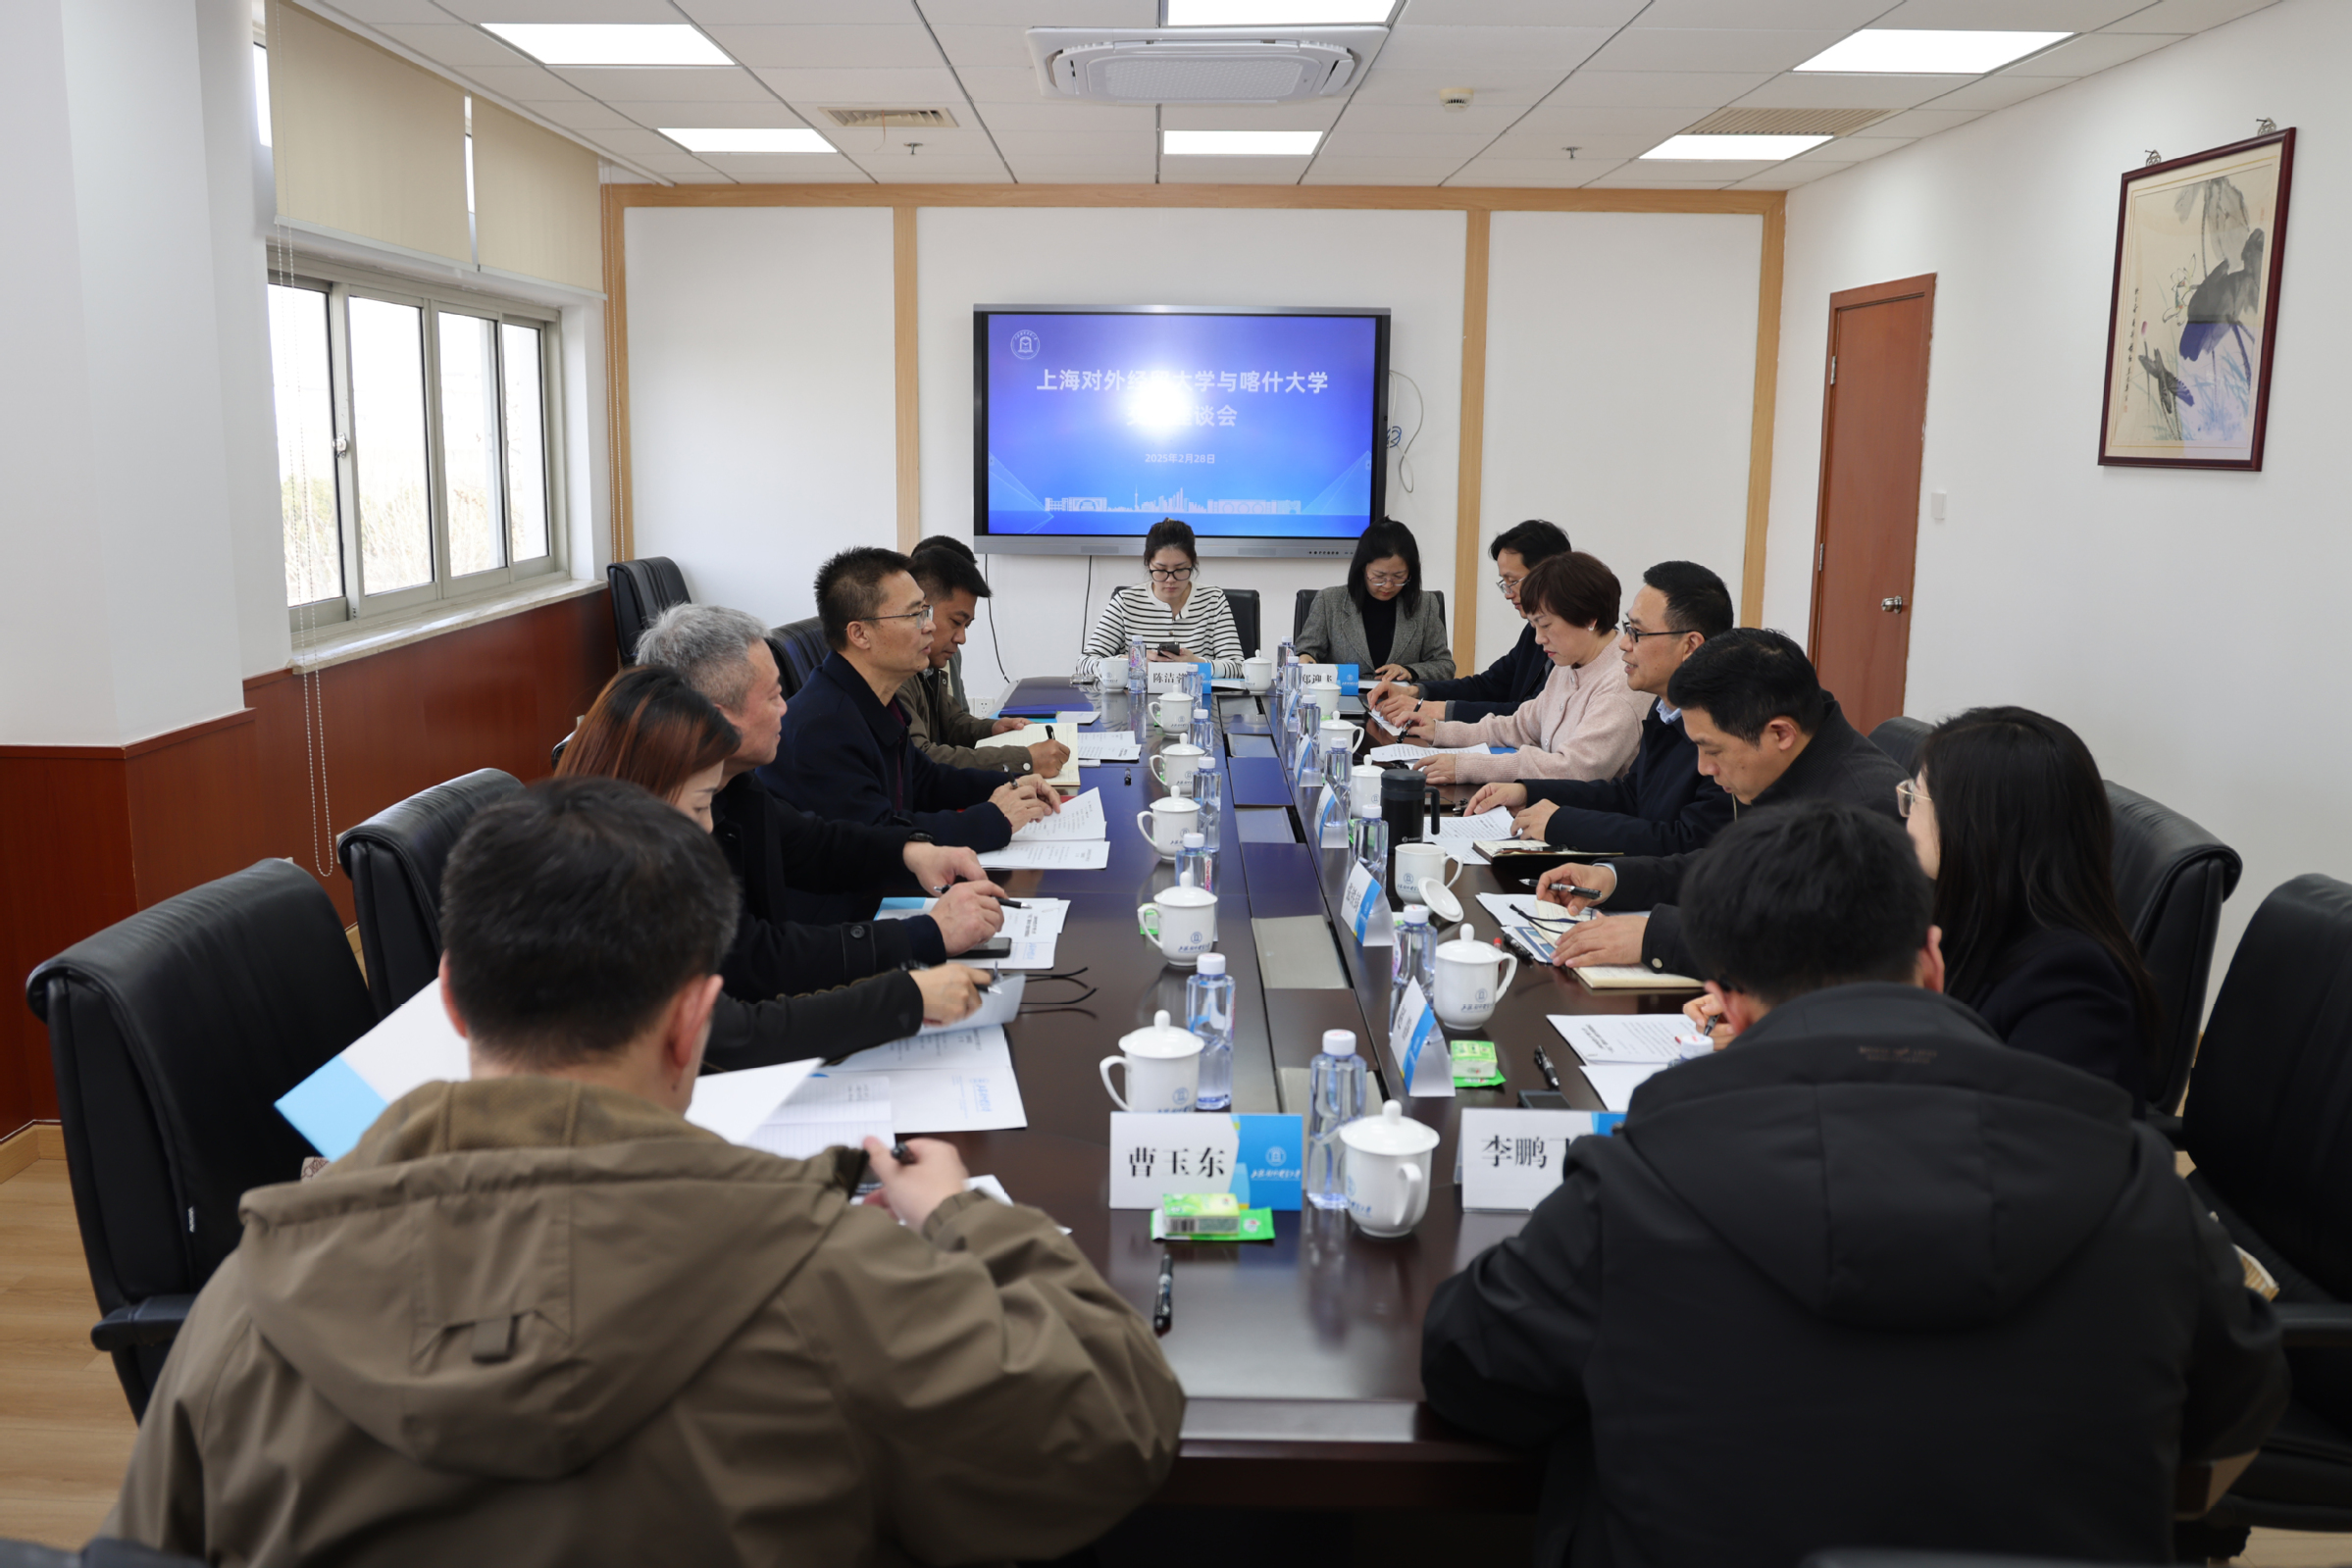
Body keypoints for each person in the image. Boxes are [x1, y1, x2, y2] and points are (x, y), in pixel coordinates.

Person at [107, 778, 1186, 1565]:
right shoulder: (821, 1279)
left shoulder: (248, 1304)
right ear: (694, 1021)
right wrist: (962, 1218)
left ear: (452, 1001)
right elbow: (1116, 1422)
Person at [1421, 800, 2285, 1568]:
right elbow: (2233, 1400)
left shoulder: (1645, 1178)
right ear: (1933, 960)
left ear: (1724, 999)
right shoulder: (2131, 1176)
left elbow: (1468, 1361)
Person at [557, 666, 990, 1060]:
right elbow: (735, 1030)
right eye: (700, 805)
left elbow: (813, 843)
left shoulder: (668, 824)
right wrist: (906, 994)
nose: (708, 825)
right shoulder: (611, 897)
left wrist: (909, 851)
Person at [636, 604, 1008, 1002]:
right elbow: (753, 962)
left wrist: (911, 852)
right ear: (718, 717)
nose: (785, 708)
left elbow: (814, 844)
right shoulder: (659, 826)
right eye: (774, 696)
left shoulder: (735, 784)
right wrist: (924, 936)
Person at [1538, 629, 1905, 979]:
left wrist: (1658, 936)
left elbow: (1816, 949)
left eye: (1712, 750)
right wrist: (1614, 878)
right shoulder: (1787, 762)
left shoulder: (1868, 810)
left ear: (1780, 733)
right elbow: (1733, 869)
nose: (1704, 768)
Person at [763, 550, 1059, 926]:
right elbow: (879, 839)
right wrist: (995, 818)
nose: (930, 626)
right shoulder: (822, 726)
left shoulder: (873, 698)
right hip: (837, 925)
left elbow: (927, 779)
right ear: (860, 634)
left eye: (926, 612)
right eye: (915, 615)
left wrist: (1011, 784)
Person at [1898, 706, 2162, 1106]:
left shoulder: (2069, 981)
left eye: (1915, 797)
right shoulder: (1965, 913)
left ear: (1974, 827)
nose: (1905, 812)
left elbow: (2039, 1135)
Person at [1464, 560, 1736, 855]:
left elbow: (1686, 843)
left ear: (1690, 646)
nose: (1624, 643)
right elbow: (1630, 795)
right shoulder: (1664, 709)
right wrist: (1528, 791)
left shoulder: (1728, 731)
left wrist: (1563, 824)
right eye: (1627, 628)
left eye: (1637, 633)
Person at [1395, 551, 1651, 786]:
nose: (1538, 639)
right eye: (1534, 626)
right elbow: (1521, 726)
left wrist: (1468, 766)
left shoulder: (1620, 684)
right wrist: (1441, 731)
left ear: (1589, 619)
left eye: (1546, 625)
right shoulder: (1570, 661)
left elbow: (1574, 769)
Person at [1368, 518, 1568, 729]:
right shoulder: (1532, 632)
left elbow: (1532, 716)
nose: (1508, 594)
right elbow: (1488, 685)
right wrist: (1415, 691)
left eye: (1513, 581)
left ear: (1546, 574)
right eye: (1504, 583)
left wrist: (1433, 709)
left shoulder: (1574, 643)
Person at [900, 545, 1071, 779]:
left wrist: (992, 728)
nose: (961, 638)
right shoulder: (894, 672)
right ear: (921, 610)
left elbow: (951, 722)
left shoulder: (926, 667)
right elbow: (921, 759)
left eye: (966, 626)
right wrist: (1025, 760)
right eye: (956, 622)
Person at [1295, 518, 1455, 683]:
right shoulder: (1329, 601)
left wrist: (1410, 671)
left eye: (1398, 576)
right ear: (1363, 567)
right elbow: (1305, 651)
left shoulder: (1425, 605)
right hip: (1342, 698)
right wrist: (1305, 658)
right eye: (1379, 576)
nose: (1388, 585)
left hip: (1402, 698)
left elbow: (1444, 666)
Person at [1081, 518, 1247, 677]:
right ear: (1148, 564)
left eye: (1180, 569)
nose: (1170, 580)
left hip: (1195, 696)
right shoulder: (1125, 602)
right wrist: (1134, 661)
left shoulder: (1213, 600)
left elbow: (1238, 667)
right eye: (1161, 570)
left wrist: (1198, 663)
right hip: (1140, 696)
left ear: (1192, 564)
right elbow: (1085, 664)